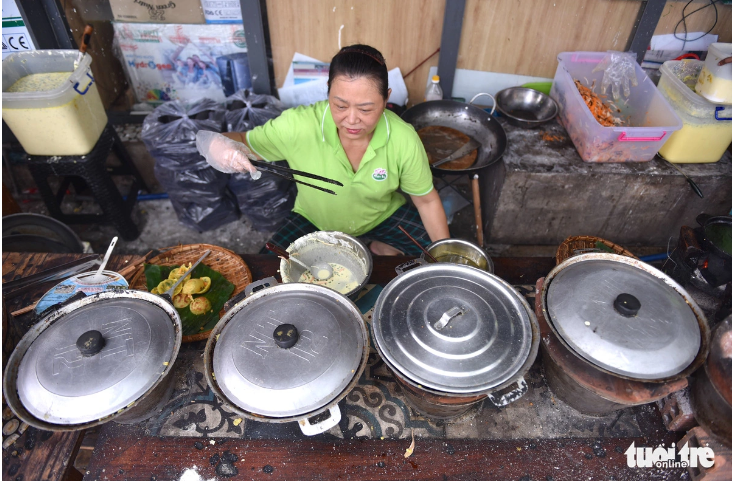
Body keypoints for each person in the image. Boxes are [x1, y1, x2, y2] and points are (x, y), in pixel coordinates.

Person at [196, 44, 449, 255]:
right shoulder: (299, 125)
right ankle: (378, 248)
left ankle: (379, 247)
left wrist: (445, 254)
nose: (351, 120)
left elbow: (426, 201)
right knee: (269, 269)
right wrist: (220, 145)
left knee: (437, 259)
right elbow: (241, 139)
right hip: (314, 220)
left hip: (382, 216)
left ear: (386, 98)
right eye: (340, 105)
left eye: (365, 109)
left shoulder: (403, 138)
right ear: (328, 93)